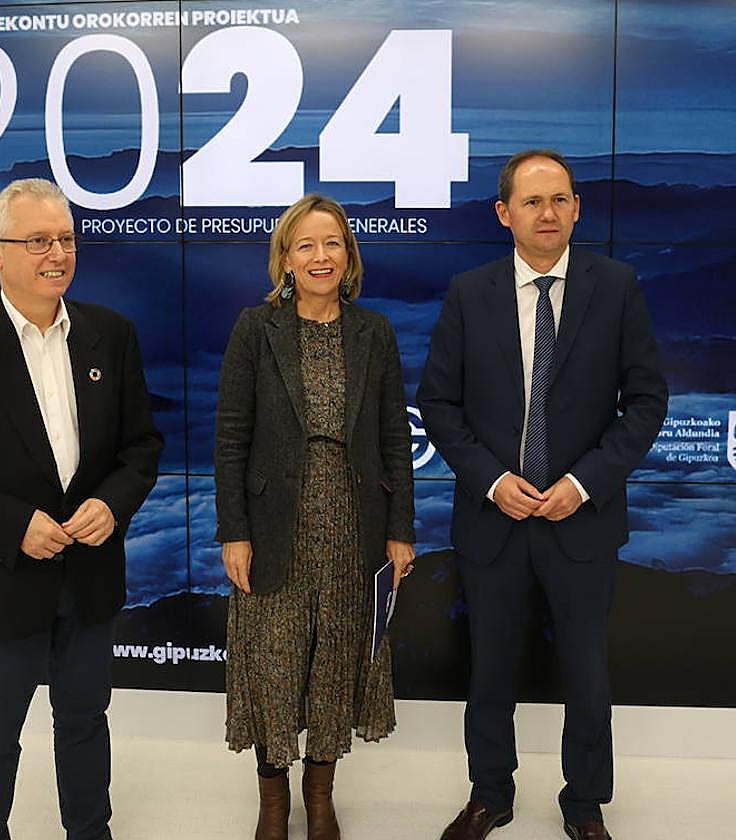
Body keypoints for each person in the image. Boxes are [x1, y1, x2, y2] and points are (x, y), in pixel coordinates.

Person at [0, 178, 163, 840]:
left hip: (90, 578)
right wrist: (15, 527)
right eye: (38, 239)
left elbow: (142, 447)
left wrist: (113, 503)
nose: (57, 253)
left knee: (84, 721)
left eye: (66, 238)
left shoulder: (110, 334)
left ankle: (89, 833)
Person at [417, 150, 668, 840]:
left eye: (560, 199)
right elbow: (438, 404)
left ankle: (584, 806)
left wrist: (584, 483)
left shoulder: (616, 287)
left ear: (577, 207)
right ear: (505, 215)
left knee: (586, 677)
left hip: (581, 521)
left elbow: (646, 403)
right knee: (491, 673)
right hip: (495, 520)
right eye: (532, 202)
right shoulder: (470, 293)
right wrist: (494, 482)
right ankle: (489, 794)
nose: (547, 212)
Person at [215, 193, 417, 840]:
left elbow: (394, 439)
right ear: (285, 258)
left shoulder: (374, 334)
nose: (320, 256)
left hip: (354, 526)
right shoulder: (256, 328)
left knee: (334, 663)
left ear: (348, 256)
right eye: (306, 245)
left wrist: (401, 529)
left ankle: (320, 799)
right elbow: (230, 436)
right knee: (275, 665)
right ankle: (274, 804)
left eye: (332, 244)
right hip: (275, 525)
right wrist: (234, 531)